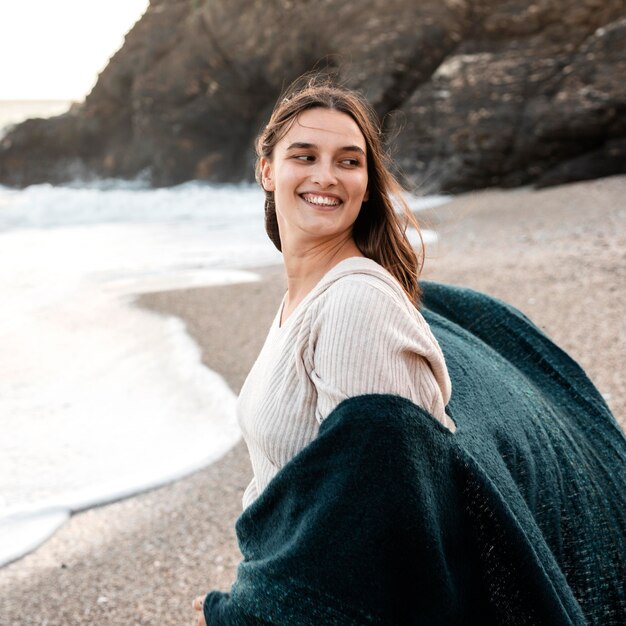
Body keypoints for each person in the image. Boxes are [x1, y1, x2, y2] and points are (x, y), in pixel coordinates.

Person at [192, 74, 456, 623]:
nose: (326, 177)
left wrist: (241, 616)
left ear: (366, 182)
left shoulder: (354, 303)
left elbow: (376, 529)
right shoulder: (303, 298)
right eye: (304, 155)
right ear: (267, 170)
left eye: (348, 161)